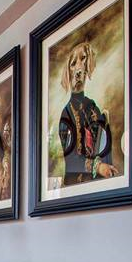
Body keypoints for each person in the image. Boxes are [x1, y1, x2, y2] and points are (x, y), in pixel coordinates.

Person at [56, 41, 118, 186]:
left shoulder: (93, 107)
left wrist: (105, 125)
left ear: (88, 64)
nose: (78, 68)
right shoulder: (66, 114)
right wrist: (98, 167)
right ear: (69, 72)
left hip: (98, 184)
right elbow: (71, 160)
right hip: (76, 185)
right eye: (73, 64)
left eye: (82, 59)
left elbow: (104, 149)